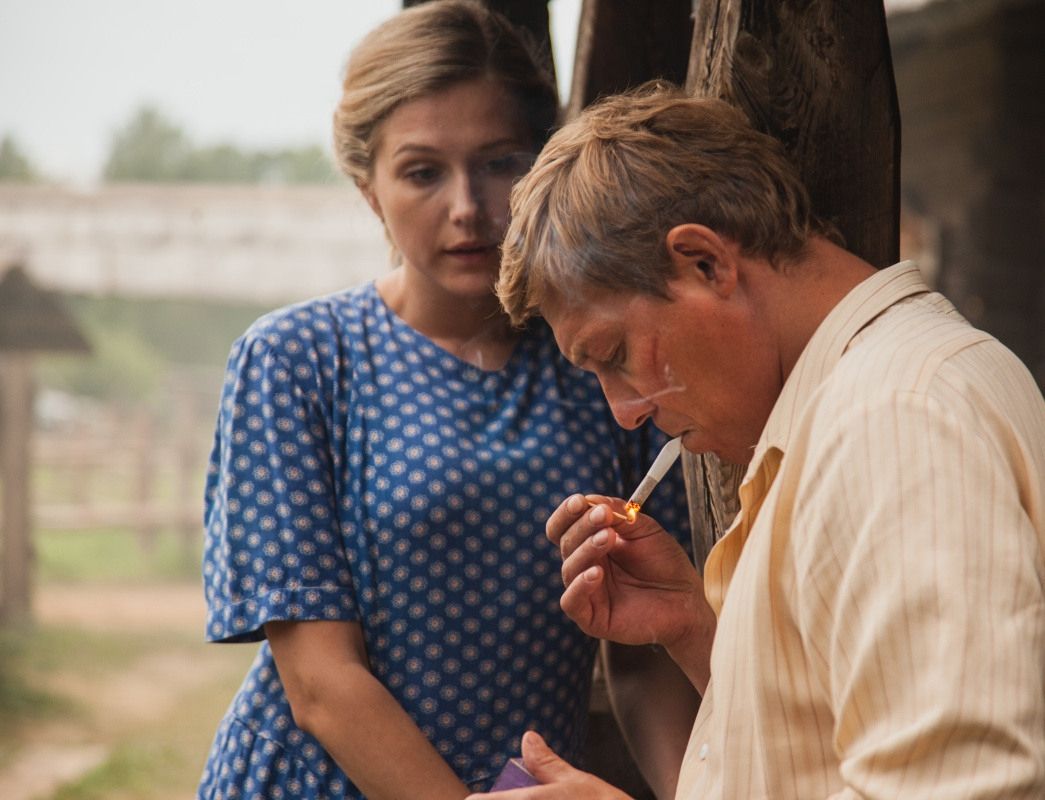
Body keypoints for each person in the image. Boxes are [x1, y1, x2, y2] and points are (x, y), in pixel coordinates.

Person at [466, 81, 1045, 799]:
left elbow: (958, 788)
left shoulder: (893, 419)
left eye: (616, 354)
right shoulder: (858, 409)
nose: (624, 413)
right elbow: (819, 751)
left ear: (705, 263)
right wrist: (695, 628)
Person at [197, 6, 698, 800]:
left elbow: (642, 654)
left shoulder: (599, 359)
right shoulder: (297, 361)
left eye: (499, 164)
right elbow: (321, 684)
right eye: (422, 172)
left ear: (542, 169)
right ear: (368, 189)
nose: (467, 206)